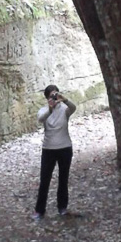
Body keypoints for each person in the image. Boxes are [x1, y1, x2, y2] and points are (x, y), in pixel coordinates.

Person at [33, 84, 77, 220]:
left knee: (63, 179)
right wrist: (50, 108)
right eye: (51, 95)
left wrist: (65, 99)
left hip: (65, 147)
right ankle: (40, 210)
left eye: (56, 94)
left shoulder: (64, 109)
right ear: (47, 97)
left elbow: (73, 108)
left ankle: (62, 207)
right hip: (48, 149)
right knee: (44, 180)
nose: (54, 96)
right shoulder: (43, 111)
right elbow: (40, 119)